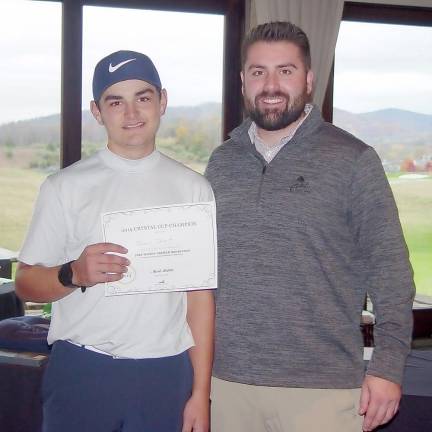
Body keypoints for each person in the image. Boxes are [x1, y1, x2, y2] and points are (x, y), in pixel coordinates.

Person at [205, 21, 415, 432]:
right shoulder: (221, 163)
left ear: (309, 80)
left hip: (323, 390)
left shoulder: (353, 160)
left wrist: (388, 368)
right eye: (258, 72)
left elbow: (391, 271)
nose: (270, 85)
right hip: (229, 384)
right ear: (242, 81)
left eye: (285, 71)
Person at [15, 50, 214, 432]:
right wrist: (73, 273)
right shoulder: (64, 187)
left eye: (143, 97)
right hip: (83, 370)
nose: (132, 113)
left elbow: (199, 298)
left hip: (165, 372)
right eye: (115, 101)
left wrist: (200, 394)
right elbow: (25, 282)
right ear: (96, 111)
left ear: (163, 101)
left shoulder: (194, 189)